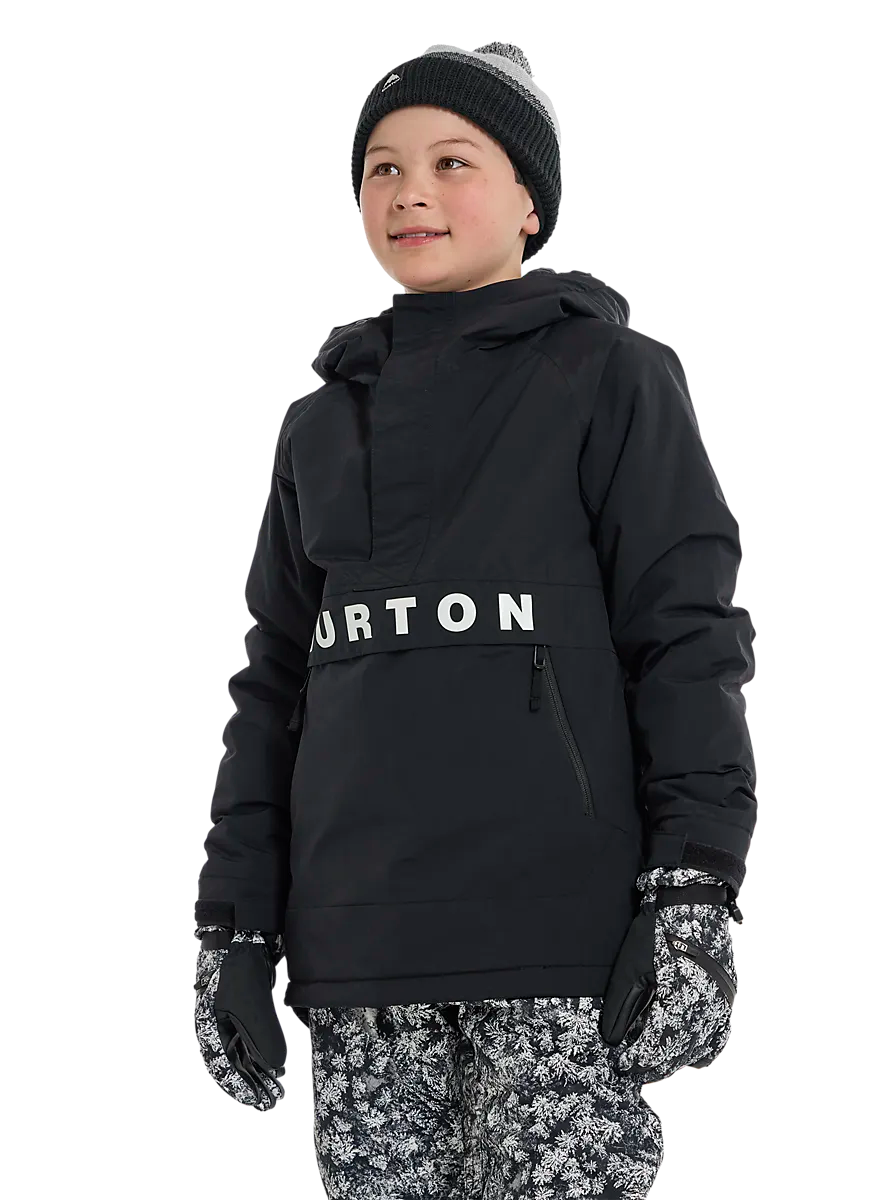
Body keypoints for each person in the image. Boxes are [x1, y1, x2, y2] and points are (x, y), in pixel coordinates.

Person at [193, 40, 756, 1199]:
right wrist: (234, 924)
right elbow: (270, 689)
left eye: (451, 161)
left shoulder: (608, 377)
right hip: (359, 957)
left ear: (529, 199)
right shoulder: (317, 426)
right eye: (383, 169)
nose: (411, 192)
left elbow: (686, 643)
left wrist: (692, 888)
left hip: (557, 945)